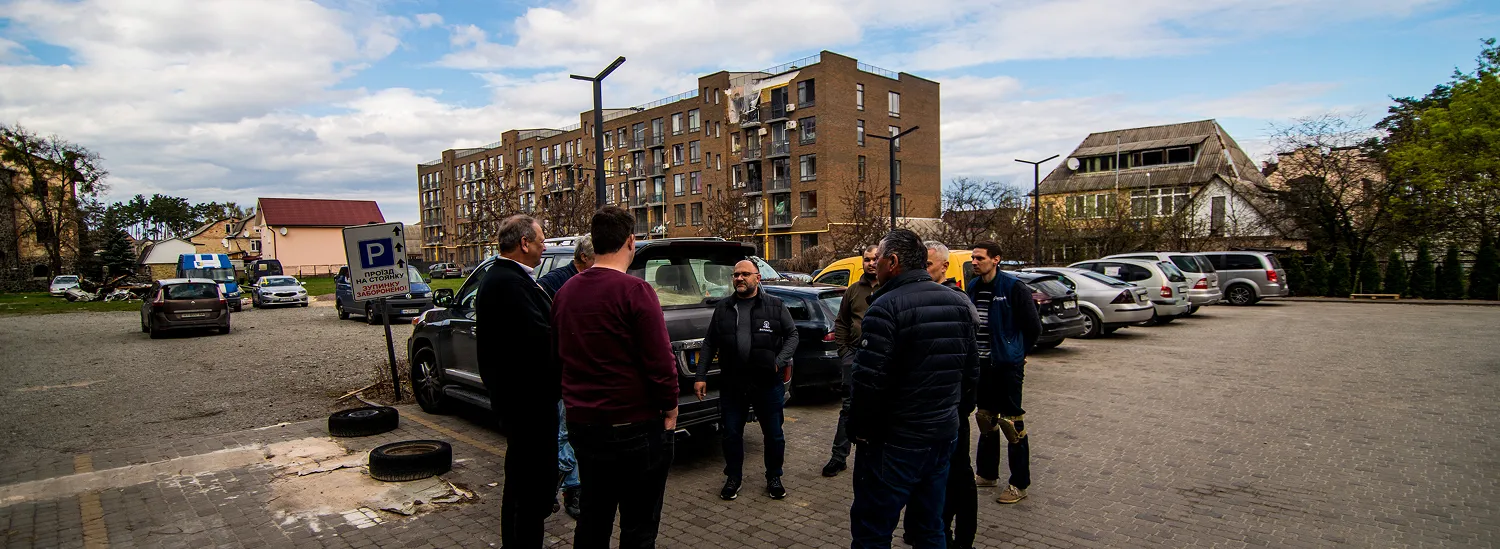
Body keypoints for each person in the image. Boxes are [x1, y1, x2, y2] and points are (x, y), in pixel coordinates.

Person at [553, 207, 679, 549]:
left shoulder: (565, 293)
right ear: (631, 242)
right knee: (639, 524)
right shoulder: (635, 291)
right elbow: (660, 361)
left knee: (594, 517)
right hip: (633, 428)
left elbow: (560, 356)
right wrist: (670, 407)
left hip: (584, 426)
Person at [847, 229, 979, 549]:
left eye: (878, 260)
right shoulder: (959, 303)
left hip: (895, 442)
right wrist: (952, 415)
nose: (873, 266)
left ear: (892, 262)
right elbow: (972, 375)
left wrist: (859, 432)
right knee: (929, 526)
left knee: (873, 530)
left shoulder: (884, 307)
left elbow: (868, 382)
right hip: (942, 437)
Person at [475, 214, 557, 548]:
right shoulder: (508, 283)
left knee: (521, 484)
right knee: (529, 488)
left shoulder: (508, 278)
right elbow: (539, 338)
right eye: (540, 241)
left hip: (521, 402)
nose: (544, 246)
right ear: (524, 243)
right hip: (527, 404)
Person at [694, 260, 798, 500]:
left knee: (773, 434)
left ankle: (774, 476)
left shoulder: (775, 306)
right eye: (735, 275)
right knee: (731, 433)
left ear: (757, 278)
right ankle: (733, 477)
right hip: (733, 383)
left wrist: (778, 361)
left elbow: (792, 335)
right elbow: (710, 343)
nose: (739, 278)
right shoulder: (723, 308)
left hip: (767, 383)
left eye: (744, 274)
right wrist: (700, 376)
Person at [967, 241, 1040, 505]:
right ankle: (987, 474)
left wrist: (1016, 354)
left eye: (980, 258)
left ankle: (1019, 483)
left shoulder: (1013, 287)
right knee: (986, 419)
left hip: (1007, 366)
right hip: (982, 365)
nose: (975, 262)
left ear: (996, 259)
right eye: (973, 258)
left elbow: (1033, 327)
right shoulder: (973, 287)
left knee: (1012, 424)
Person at [923, 239, 976, 549]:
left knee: (959, 474)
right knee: (935, 475)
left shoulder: (958, 302)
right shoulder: (923, 298)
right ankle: (934, 528)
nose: (924, 270)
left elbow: (971, 363)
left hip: (953, 408)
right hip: (933, 408)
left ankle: (962, 538)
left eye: (928, 265)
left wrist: (962, 405)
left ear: (944, 267)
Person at [536, 235, 593, 520]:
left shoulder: (590, 280)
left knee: (571, 433)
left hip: (582, 371)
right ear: (584, 258)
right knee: (563, 433)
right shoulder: (554, 282)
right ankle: (565, 487)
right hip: (562, 370)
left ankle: (563, 485)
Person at [822, 245, 880, 478]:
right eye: (867, 260)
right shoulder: (853, 290)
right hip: (855, 357)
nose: (872, 263)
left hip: (882, 359)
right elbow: (842, 322)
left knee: (879, 409)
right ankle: (838, 457)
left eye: (876, 259)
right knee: (848, 408)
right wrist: (845, 354)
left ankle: (877, 458)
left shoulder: (891, 288)